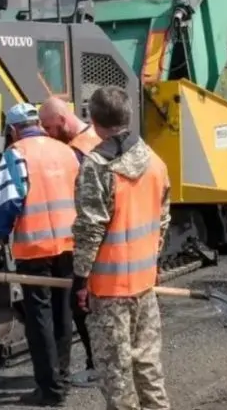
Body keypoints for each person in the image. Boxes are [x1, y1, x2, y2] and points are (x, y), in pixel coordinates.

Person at [69, 86, 172, 410]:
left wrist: (79, 279)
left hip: (109, 291)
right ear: (127, 116)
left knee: (116, 376)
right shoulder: (155, 162)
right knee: (149, 370)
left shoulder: (97, 167)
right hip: (144, 285)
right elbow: (162, 221)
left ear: (93, 120)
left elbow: (89, 227)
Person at [0, 102, 81, 407]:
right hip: (68, 247)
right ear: (38, 124)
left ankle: (49, 389)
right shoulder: (66, 152)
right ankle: (63, 379)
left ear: (13, 129)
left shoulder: (16, 154)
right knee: (63, 314)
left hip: (34, 250)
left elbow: (6, 202)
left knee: (39, 319)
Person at [39, 96, 101, 379]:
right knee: (81, 307)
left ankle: (98, 364)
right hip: (81, 238)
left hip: (88, 239)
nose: (48, 134)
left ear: (63, 121)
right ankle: (96, 363)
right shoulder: (94, 139)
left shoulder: (79, 150)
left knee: (85, 306)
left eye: (49, 127)